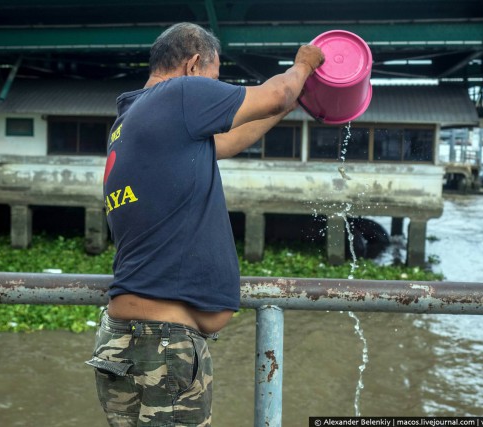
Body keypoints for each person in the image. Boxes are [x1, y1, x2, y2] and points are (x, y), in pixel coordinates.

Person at [86, 22, 323, 426]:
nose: (214, 90)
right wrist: (303, 66)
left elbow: (229, 140)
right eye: (215, 80)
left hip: (121, 338)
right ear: (194, 64)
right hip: (164, 343)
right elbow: (278, 91)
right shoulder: (181, 92)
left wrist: (287, 103)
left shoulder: (132, 119)